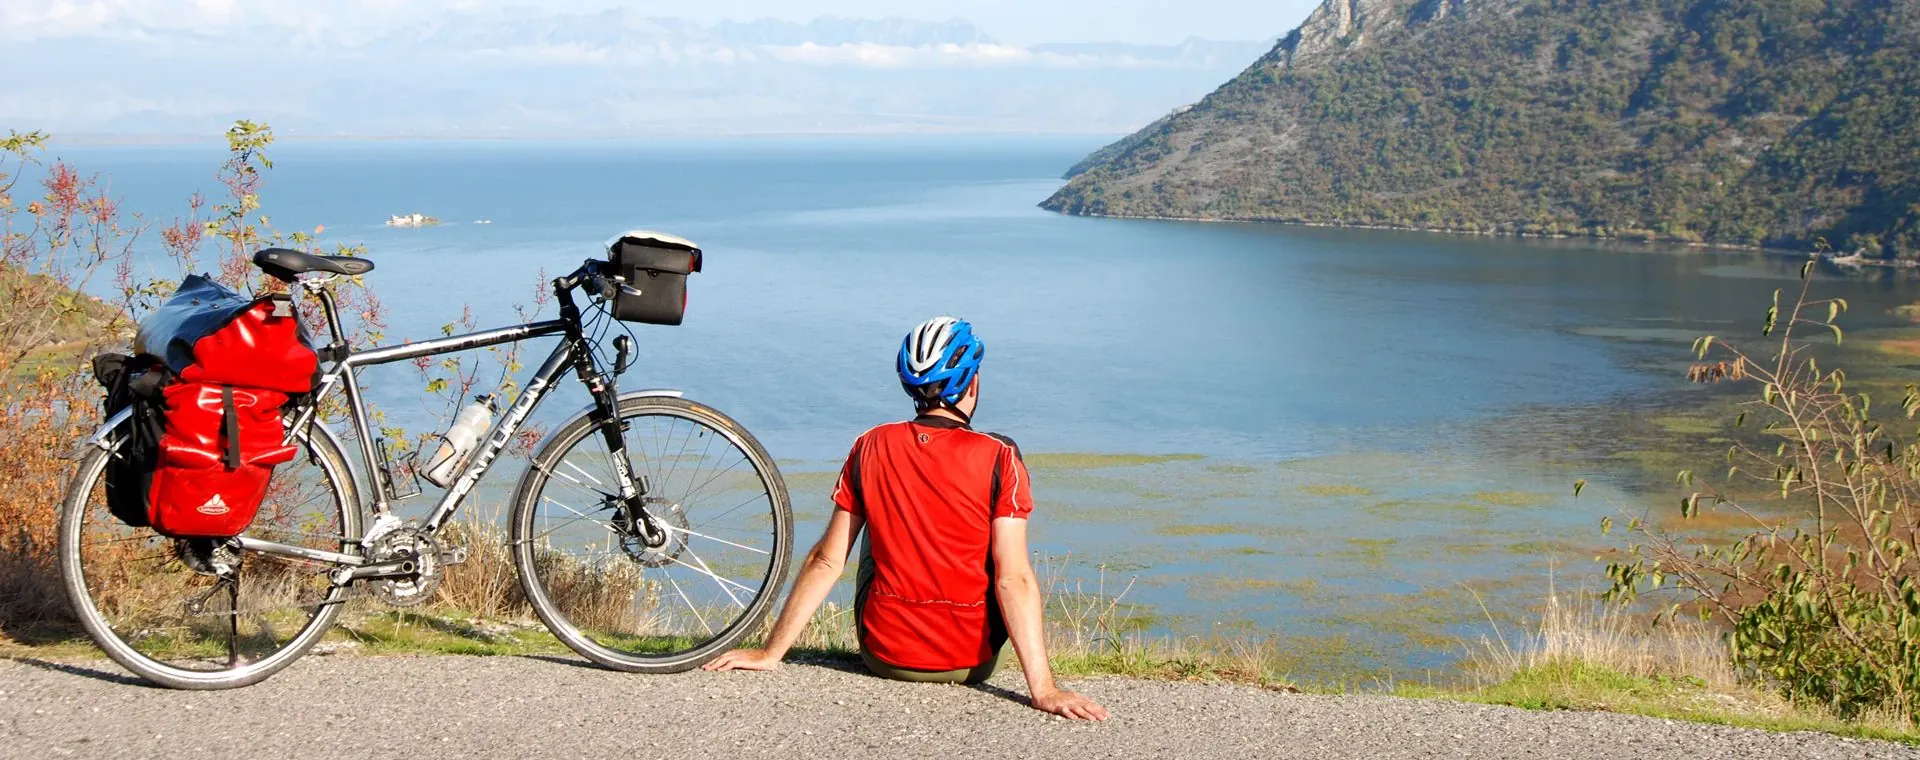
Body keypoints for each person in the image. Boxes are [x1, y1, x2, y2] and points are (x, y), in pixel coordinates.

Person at [704, 316, 1109, 721]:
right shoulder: (1000, 456)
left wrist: (771, 652)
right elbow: (1012, 578)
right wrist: (1044, 689)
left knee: (874, 514)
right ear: (972, 383)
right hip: (972, 662)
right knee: (997, 544)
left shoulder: (870, 444)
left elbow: (826, 560)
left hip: (885, 655)